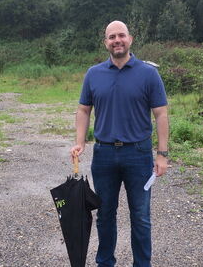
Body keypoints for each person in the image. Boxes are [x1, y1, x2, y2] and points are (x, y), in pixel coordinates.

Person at [70, 20, 169, 267]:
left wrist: (162, 154)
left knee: (141, 217)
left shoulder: (148, 74)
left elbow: (161, 114)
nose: (117, 40)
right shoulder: (94, 74)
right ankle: (105, 263)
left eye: (121, 35)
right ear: (106, 43)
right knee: (104, 215)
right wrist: (80, 142)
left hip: (138, 153)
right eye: (112, 37)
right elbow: (83, 110)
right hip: (103, 155)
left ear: (130, 39)